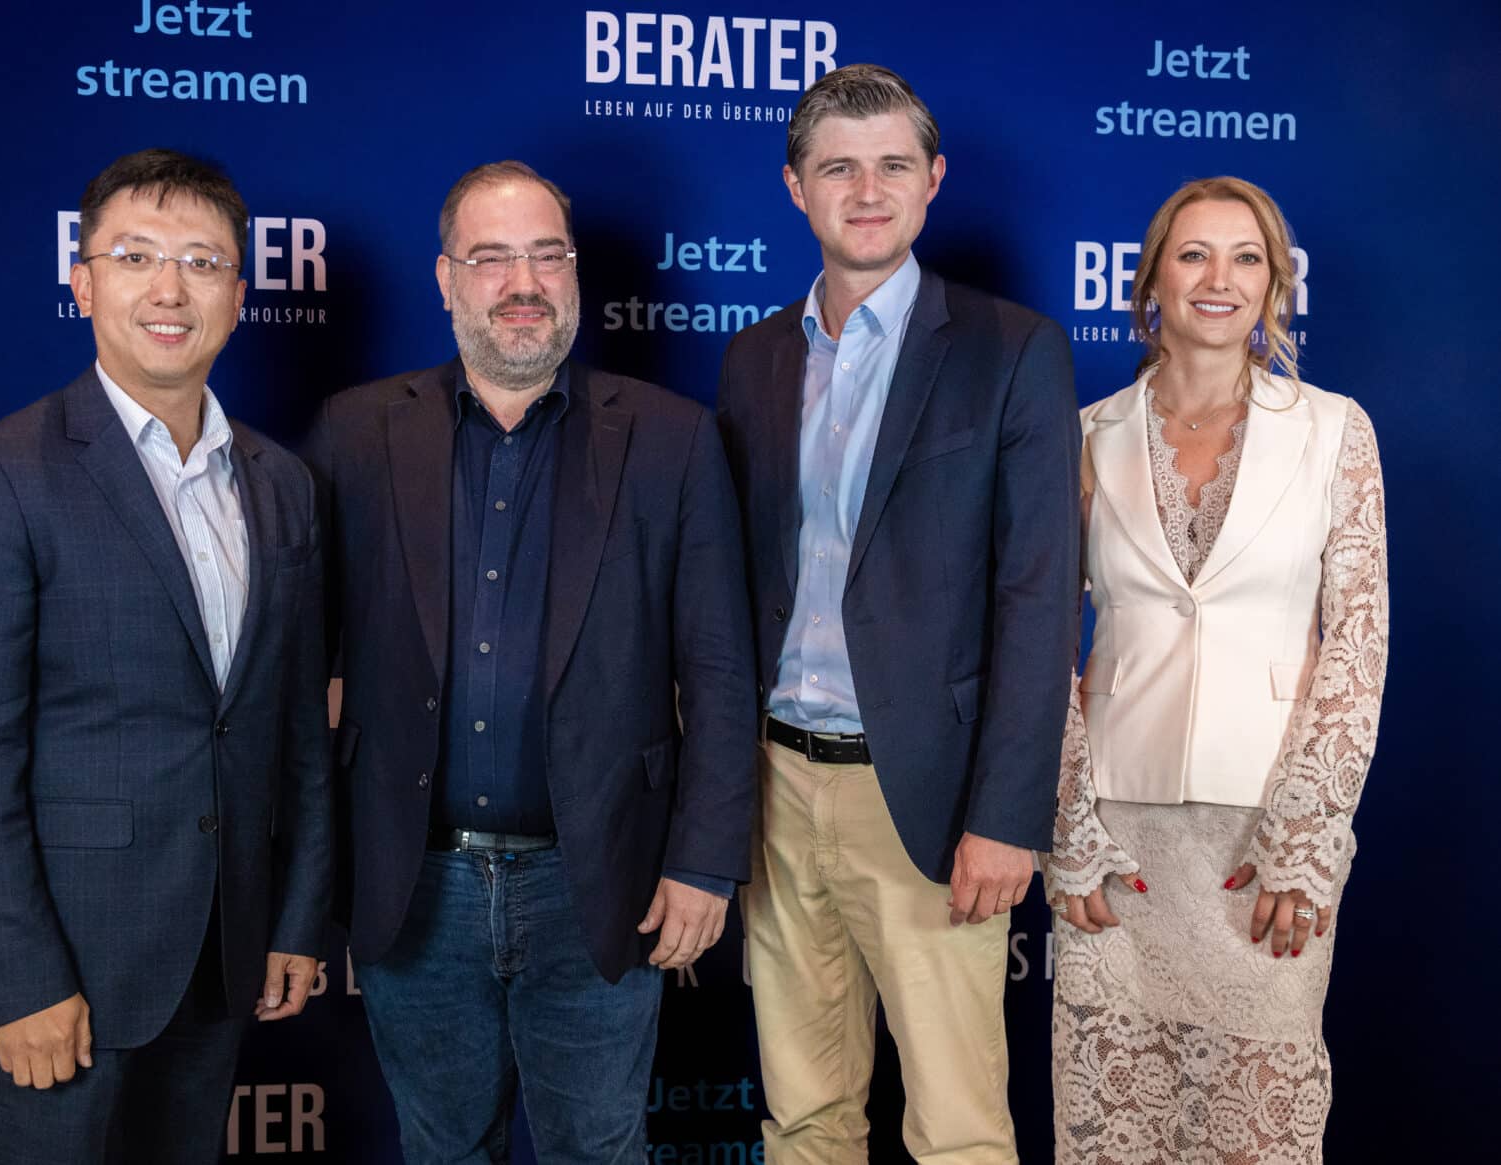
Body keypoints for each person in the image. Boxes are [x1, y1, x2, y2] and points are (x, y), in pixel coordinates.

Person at [302, 160, 757, 1164]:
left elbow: (720, 669)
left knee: (597, 1146)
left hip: (597, 881)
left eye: (546, 255)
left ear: (575, 273)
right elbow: (300, 672)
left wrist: (703, 859)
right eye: (492, 257)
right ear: (445, 278)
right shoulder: (355, 432)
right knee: (442, 1146)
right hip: (417, 885)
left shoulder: (672, 440)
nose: (523, 282)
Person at [0, 149, 332, 1163]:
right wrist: (21, 980)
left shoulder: (282, 484)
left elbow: (295, 731)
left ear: (238, 293)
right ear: (84, 280)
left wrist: (298, 917)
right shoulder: (2, 471)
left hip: (221, 955)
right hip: (64, 973)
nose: (170, 289)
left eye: (202, 260)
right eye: (137, 256)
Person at [716, 65, 1081, 1164]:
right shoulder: (754, 357)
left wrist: (1008, 815)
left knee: (958, 1130)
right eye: (837, 167)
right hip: (776, 793)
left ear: (932, 181)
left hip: (923, 792)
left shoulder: (1010, 349)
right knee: (806, 1117)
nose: (865, 190)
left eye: (889, 165)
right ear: (794, 187)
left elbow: (1036, 595)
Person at [1046, 176, 1388, 1163]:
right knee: (1117, 1131)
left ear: (1274, 285)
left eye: (1246, 258)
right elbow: (1035, 643)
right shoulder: (1084, 434)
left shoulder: (1333, 431)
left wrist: (1307, 836)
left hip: (1263, 844)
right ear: (1150, 277)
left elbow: (1358, 641)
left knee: (1255, 1133)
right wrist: (1069, 828)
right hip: (1117, 843)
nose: (1219, 279)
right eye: (1193, 253)